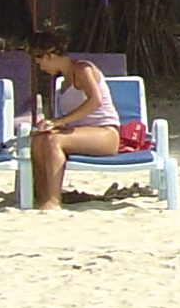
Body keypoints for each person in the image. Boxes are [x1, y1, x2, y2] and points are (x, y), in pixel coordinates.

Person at [28, 32, 123, 210]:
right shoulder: (64, 80)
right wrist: (53, 124)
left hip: (106, 134)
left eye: (40, 62)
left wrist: (59, 121)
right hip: (84, 133)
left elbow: (96, 100)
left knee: (53, 140)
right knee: (39, 139)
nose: (40, 67)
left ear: (48, 56)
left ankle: (53, 201)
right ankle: (42, 197)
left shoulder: (83, 69)